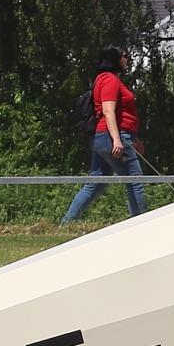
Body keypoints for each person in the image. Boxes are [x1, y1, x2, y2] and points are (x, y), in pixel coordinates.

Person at [62, 46, 146, 224]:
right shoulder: (110, 80)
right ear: (114, 59)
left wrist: (133, 137)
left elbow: (119, 115)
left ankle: (67, 223)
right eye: (124, 56)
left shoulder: (105, 79)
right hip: (111, 137)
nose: (127, 59)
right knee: (135, 181)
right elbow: (108, 111)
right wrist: (117, 140)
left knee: (96, 182)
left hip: (107, 137)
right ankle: (139, 226)